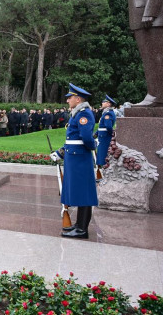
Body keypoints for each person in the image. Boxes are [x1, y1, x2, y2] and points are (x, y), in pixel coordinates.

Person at [50, 83, 98, 239]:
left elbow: (86, 138)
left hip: (80, 158)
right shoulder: (77, 114)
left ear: (78, 99)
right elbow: (72, 139)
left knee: (84, 193)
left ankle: (82, 229)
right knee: (79, 192)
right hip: (75, 158)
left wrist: (93, 146)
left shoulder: (84, 114)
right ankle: (78, 225)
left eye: (69, 97)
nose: (67, 100)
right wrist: (61, 153)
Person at [95, 95, 117, 180]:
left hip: (105, 138)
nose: (102, 103)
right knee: (101, 155)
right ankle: (103, 175)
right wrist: (95, 134)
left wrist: (110, 134)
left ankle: (105, 176)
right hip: (102, 136)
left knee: (104, 156)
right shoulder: (105, 112)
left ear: (108, 104)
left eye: (104, 102)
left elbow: (108, 126)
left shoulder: (108, 113)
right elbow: (102, 127)